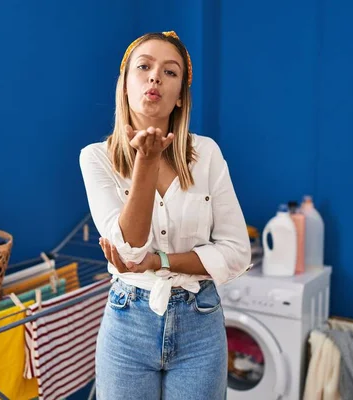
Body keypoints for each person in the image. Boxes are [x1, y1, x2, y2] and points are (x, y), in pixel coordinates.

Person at [79, 30, 251, 399]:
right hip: (128, 325)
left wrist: (159, 260)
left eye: (170, 72)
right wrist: (146, 160)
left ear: (179, 98)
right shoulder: (95, 158)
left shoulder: (206, 154)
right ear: (125, 84)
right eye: (144, 67)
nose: (155, 77)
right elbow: (128, 250)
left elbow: (237, 253)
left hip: (200, 321)